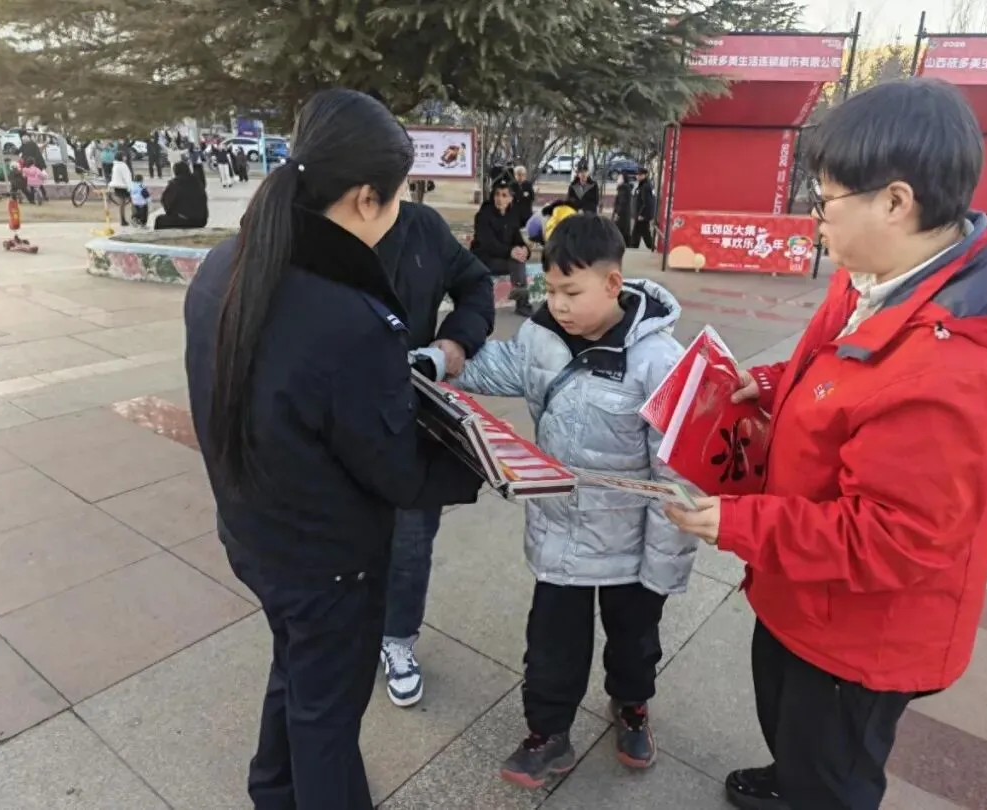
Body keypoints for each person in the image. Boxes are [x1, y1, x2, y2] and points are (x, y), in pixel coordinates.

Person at [665, 78, 987, 810]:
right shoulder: (883, 274)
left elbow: (893, 539)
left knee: (833, 770)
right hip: (805, 590)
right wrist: (774, 380)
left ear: (895, 201)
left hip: (860, 634)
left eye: (824, 201)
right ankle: (792, 776)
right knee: (789, 719)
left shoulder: (956, 371)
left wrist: (734, 523)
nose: (813, 219)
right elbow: (837, 367)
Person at [183, 88, 483, 810]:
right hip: (329, 563)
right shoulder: (350, 318)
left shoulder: (227, 266)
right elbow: (392, 468)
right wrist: (476, 455)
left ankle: (272, 789)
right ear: (363, 198)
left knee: (296, 669)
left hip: (256, 533)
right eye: (398, 195)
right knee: (327, 713)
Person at [450, 213, 696, 789]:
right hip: (559, 534)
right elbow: (500, 366)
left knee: (635, 643)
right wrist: (444, 360)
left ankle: (632, 707)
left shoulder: (658, 361)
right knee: (550, 647)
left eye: (572, 292)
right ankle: (548, 733)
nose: (557, 304)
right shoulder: (542, 336)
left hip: (631, 548)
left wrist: (664, 565)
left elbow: (674, 473)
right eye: (550, 289)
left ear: (613, 285)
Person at [372, 193, 496, 709]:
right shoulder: (304, 227)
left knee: (411, 539)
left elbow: (476, 283)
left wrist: (455, 344)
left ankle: (398, 640)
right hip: (331, 413)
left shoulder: (421, 226)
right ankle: (345, 632)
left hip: (408, 413)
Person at [470, 179, 532, 316]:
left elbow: (517, 239)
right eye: (497, 194)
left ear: (510, 198)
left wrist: (525, 250)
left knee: (518, 260)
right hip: (484, 260)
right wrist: (510, 252)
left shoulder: (512, 215)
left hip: (504, 259)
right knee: (516, 262)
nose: (499, 199)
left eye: (504, 195)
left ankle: (522, 303)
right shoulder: (483, 215)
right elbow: (488, 243)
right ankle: (523, 303)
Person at [154, 162, 209, 230]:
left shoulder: (175, 184)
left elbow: (165, 201)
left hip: (185, 221)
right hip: (201, 220)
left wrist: (174, 212)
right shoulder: (197, 182)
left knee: (159, 220)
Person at [630, 168, 655, 250]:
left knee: (644, 233)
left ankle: (652, 248)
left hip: (643, 216)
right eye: (637, 174)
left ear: (645, 175)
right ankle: (634, 247)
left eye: (640, 175)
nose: (638, 176)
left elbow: (647, 202)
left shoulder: (645, 186)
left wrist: (642, 214)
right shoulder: (641, 185)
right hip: (640, 215)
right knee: (638, 233)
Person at [109, 157, 134, 227]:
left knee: (122, 203)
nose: (125, 158)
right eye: (124, 156)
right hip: (123, 186)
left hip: (117, 186)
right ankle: (134, 218)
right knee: (133, 201)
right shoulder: (123, 166)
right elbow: (127, 177)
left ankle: (122, 220)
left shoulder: (115, 165)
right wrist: (130, 187)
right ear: (122, 157)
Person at [612, 173, 633, 246]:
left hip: (621, 215)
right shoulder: (625, 188)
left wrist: (617, 214)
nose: (617, 179)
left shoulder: (623, 188)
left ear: (623, 180)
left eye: (619, 178)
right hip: (625, 214)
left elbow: (622, 202)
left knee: (619, 232)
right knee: (625, 232)